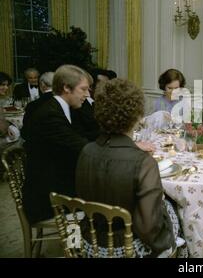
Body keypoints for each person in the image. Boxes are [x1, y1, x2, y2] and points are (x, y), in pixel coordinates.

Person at [76, 78, 176, 257]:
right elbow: (149, 230)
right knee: (175, 211)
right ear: (138, 116)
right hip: (125, 249)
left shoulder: (86, 150)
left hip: (90, 243)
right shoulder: (144, 163)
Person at [23, 65, 91, 224]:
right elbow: (83, 147)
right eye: (83, 89)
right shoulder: (50, 115)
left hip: (55, 183)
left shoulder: (60, 108)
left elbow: (82, 139)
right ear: (67, 88)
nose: (87, 95)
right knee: (108, 199)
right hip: (46, 200)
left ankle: (81, 244)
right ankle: (73, 245)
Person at [21, 72, 55, 142]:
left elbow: (26, 133)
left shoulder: (32, 105)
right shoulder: (68, 102)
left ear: (42, 84)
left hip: (38, 147)